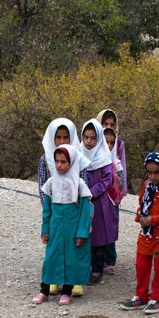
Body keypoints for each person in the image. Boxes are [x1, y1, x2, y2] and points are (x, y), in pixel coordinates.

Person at [121, 153, 159, 314]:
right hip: (147, 233)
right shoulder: (147, 186)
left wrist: (153, 220)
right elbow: (142, 204)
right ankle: (141, 295)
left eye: (157, 172)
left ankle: (157, 297)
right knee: (141, 264)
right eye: (150, 172)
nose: (153, 176)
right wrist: (140, 217)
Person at [33, 145, 93, 306]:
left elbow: (85, 212)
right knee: (51, 258)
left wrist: (81, 233)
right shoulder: (51, 183)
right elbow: (47, 210)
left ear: (72, 162)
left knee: (71, 259)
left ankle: (67, 291)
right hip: (56, 229)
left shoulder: (79, 184)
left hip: (73, 230)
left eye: (63, 162)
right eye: (57, 161)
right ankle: (44, 290)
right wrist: (45, 230)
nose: (59, 165)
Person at [37, 118, 85, 297]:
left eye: (66, 137)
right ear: (52, 138)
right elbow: (43, 186)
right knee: (55, 246)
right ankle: (55, 279)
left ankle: (75, 281)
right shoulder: (45, 159)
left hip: (73, 210)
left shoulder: (78, 158)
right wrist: (49, 209)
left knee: (74, 247)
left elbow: (83, 185)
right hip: (56, 210)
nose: (62, 141)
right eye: (58, 137)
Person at [80, 119, 118, 284]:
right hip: (82, 200)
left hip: (99, 202)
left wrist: (91, 192)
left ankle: (97, 268)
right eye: (86, 137)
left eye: (93, 138)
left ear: (99, 139)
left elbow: (107, 180)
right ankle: (85, 265)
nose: (89, 141)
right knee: (83, 233)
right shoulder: (78, 154)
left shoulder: (104, 158)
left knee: (98, 235)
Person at [103, 127, 127, 275]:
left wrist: (117, 196)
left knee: (110, 228)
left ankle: (111, 259)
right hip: (99, 199)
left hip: (112, 200)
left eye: (112, 143)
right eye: (106, 142)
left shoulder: (116, 162)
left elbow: (121, 181)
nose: (109, 146)